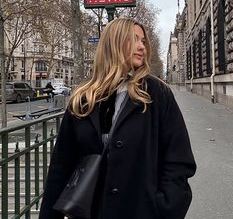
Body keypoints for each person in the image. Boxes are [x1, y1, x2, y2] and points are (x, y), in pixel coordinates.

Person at [39, 18, 196, 219]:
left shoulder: (156, 94)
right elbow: (61, 168)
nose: (142, 47)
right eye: (134, 39)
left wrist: (165, 208)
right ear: (114, 44)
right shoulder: (83, 99)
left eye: (143, 41)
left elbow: (179, 161)